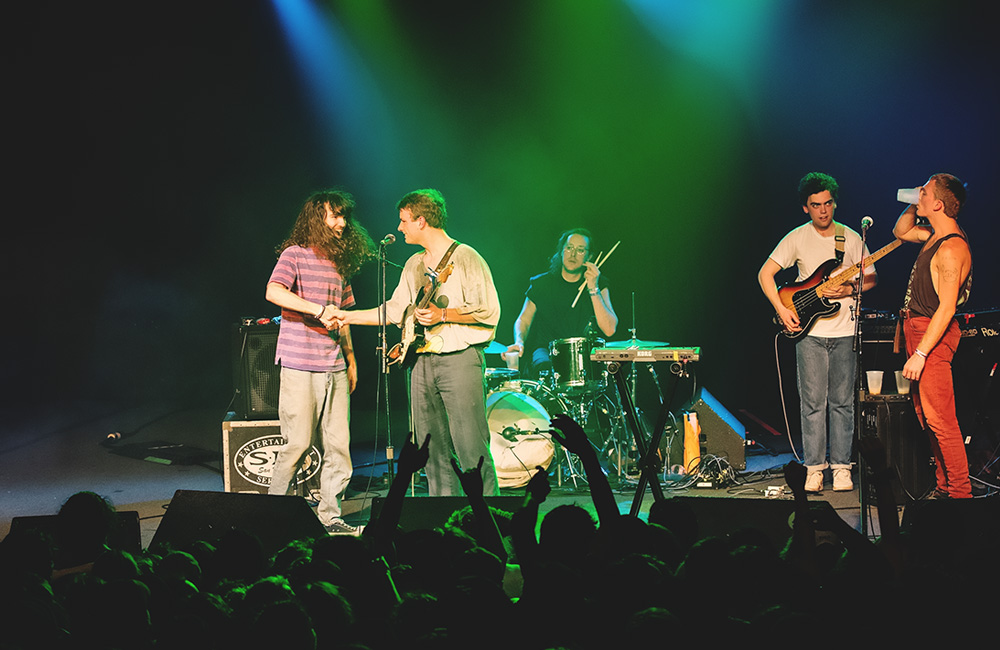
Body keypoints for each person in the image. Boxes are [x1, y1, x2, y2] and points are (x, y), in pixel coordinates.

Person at [331, 188, 501, 496]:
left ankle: (491, 520)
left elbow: (489, 311)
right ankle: (443, 520)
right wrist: (346, 316)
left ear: (421, 221)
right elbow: (395, 310)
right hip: (420, 362)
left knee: (471, 446)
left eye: (404, 221)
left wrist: (443, 314)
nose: (399, 227)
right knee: (430, 449)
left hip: (459, 359)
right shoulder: (413, 265)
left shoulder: (466, 257)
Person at [265, 189, 376, 534]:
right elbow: (273, 292)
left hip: (335, 367)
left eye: (344, 217)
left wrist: (352, 360)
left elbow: (344, 318)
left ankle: (331, 516)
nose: (342, 223)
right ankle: (270, 513)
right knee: (297, 443)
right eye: (334, 215)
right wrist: (317, 309)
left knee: (338, 447)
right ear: (318, 218)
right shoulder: (293, 255)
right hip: (299, 363)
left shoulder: (340, 264)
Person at [758, 172, 877, 493]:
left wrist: (850, 288)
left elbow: (871, 279)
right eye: (815, 205)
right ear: (805, 208)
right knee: (812, 403)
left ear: (835, 203)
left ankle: (841, 467)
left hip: (845, 331)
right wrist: (782, 310)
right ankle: (814, 468)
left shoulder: (851, 238)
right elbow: (765, 273)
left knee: (843, 403)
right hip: (809, 333)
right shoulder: (796, 237)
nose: (823, 211)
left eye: (827, 204)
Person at [893, 173, 973, 499]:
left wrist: (922, 353)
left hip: (933, 336)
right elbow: (899, 231)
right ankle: (944, 488)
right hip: (918, 329)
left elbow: (947, 308)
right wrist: (914, 199)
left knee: (941, 419)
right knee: (927, 416)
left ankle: (960, 496)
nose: (917, 194)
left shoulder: (952, 247)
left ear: (938, 204)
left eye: (923, 192)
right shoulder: (932, 235)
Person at [506, 228, 618, 376]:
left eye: (580, 250)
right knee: (543, 366)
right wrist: (519, 341)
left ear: (589, 256)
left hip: (584, 354)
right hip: (547, 351)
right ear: (561, 251)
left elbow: (609, 329)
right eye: (569, 248)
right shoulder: (541, 283)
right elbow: (524, 319)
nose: (573, 254)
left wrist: (593, 288)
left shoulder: (599, 284)